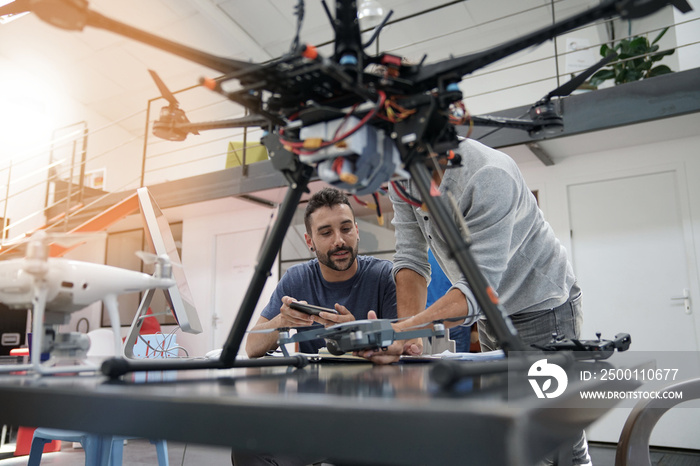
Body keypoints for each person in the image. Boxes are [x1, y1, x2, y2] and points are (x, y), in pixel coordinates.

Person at [358, 138, 590, 465]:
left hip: (542, 305)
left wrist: (401, 329)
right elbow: (410, 257)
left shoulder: (489, 175)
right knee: (511, 423)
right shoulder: (401, 178)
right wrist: (407, 337)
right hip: (492, 313)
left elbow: (476, 289)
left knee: (555, 428)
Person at [245, 186, 397, 357]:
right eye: (326, 233)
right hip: (311, 381)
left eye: (346, 229)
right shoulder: (296, 279)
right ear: (309, 241)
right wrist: (283, 321)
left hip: (373, 380)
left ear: (357, 231)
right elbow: (251, 348)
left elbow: (404, 345)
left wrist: (357, 334)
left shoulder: (384, 275)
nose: (339, 241)